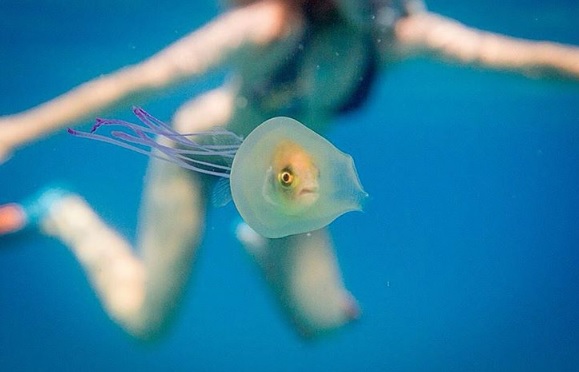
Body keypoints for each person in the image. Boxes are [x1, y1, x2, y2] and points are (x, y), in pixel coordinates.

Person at [0, 0, 578, 340]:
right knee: (146, 323)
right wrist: (18, 129)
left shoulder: (396, 36)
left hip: (286, 185)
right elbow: (140, 81)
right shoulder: (266, 25)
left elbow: (520, 58)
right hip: (196, 158)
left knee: (321, 324)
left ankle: (259, 234)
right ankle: (62, 215)